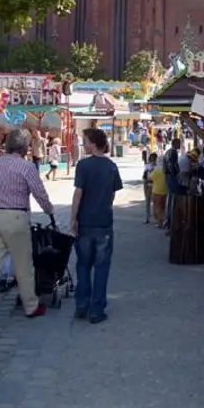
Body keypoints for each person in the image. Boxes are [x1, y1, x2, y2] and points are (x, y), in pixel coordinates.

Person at [0, 129, 54, 329]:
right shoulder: (26, 167)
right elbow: (39, 192)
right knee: (24, 266)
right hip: (16, 217)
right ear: (24, 146)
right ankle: (31, 306)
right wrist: (49, 210)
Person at [70, 128, 123, 323]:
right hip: (103, 221)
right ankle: (97, 309)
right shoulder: (111, 167)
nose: (83, 144)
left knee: (83, 264)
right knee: (101, 267)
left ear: (93, 144)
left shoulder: (83, 165)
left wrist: (73, 217)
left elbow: (78, 193)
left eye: (85, 141)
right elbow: (113, 193)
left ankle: (81, 304)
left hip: (85, 221)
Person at [150, 156, 168, 227]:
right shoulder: (166, 170)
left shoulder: (157, 170)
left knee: (157, 207)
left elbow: (150, 178)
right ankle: (162, 220)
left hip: (156, 191)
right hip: (165, 191)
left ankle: (159, 222)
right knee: (163, 207)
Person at [140, 150, 156, 224]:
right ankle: (152, 217)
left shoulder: (147, 166)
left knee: (148, 201)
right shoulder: (156, 167)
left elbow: (144, 177)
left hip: (148, 183)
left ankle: (147, 217)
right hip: (153, 184)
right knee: (153, 201)